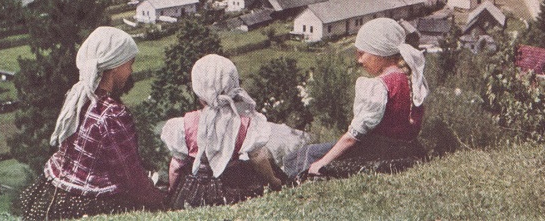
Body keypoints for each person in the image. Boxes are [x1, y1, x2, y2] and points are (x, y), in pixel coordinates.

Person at [19, 26, 165, 220]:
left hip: (52, 192)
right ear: (114, 66)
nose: (131, 71)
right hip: (86, 202)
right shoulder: (112, 113)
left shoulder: (77, 97)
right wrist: (160, 201)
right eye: (129, 64)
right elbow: (131, 177)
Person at [284, 18, 429, 179]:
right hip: (405, 150)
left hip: (377, 154)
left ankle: (290, 186)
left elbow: (352, 138)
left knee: (308, 154)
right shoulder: (411, 79)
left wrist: (322, 163)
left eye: (362, 54)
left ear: (379, 54)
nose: (359, 60)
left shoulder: (380, 86)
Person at [162, 54, 287, 208]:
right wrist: (273, 181)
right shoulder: (243, 124)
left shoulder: (184, 124)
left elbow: (176, 166)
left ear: (200, 95)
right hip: (232, 186)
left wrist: (172, 190)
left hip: (194, 191)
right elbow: (259, 159)